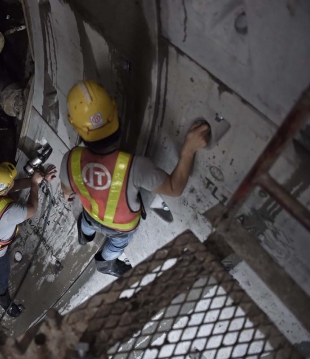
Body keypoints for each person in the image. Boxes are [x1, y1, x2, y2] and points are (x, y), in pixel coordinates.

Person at [60, 80, 209, 277]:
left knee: (87, 222)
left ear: (76, 126)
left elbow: (67, 191)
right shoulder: (136, 167)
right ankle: (105, 263)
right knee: (116, 245)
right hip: (121, 228)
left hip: (91, 214)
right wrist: (188, 149)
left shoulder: (70, 160)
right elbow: (174, 187)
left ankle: (84, 236)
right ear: (115, 114)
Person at [0, 162, 57, 317]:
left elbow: (13, 185)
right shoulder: (11, 212)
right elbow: (32, 209)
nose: (13, 182)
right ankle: (6, 304)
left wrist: (38, 180)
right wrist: (34, 184)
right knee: (1, 279)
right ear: (3, 189)